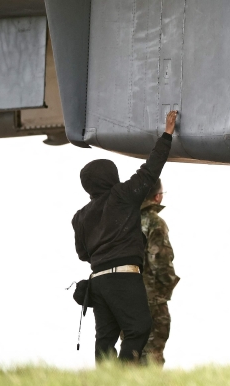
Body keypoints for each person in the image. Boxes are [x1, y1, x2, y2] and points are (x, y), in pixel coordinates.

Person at [72, 109, 178, 363]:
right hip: (124, 277)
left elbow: (82, 254)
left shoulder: (80, 216)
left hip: (98, 281)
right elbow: (150, 171)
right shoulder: (121, 196)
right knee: (139, 329)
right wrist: (167, 134)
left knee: (105, 338)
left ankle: (105, 380)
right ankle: (123, 376)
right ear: (110, 177)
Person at [139, 178, 180, 365]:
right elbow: (160, 259)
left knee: (131, 349)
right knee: (153, 348)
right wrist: (167, 286)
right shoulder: (154, 221)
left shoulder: (124, 217)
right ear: (157, 197)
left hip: (124, 295)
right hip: (151, 296)